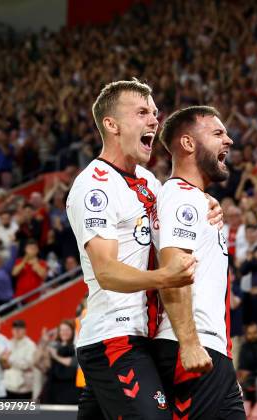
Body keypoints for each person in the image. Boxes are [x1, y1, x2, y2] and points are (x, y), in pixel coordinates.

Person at [66, 80, 221, 420]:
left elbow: (181, 210)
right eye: (142, 113)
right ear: (112, 124)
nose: (155, 120)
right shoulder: (95, 186)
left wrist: (208, 204)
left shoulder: (150, 182)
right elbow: (105, 271)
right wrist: (162, 276)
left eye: (154, 112)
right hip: (115, 337)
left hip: (144, 337)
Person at [153, 105, 245, 419]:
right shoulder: (182, 197)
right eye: (218, 133)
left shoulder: (195, 200)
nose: (229, 140)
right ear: (189, 144)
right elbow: (174, 274)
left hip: (212, 351)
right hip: (189, 348)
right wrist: (191, 344)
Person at [35, 321, 79, 404]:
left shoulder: (76, 346)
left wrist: (56, 356)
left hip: (70, 392)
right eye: (62, 330)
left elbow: (74, 362)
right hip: (52, 391)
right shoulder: (55, 346)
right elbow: (37, 363)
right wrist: (43, 342)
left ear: (73, 331)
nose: (64, 332)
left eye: (67, 330)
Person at [3, 319, 36, 399]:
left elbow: (26, 364)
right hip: (8, 386)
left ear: (25, 330)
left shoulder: (30, 345)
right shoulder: (8, 343)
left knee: (22, 411)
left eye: (19, 329)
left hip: (23, 388)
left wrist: (9, 359)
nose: (17, 331)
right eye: (15, 329)